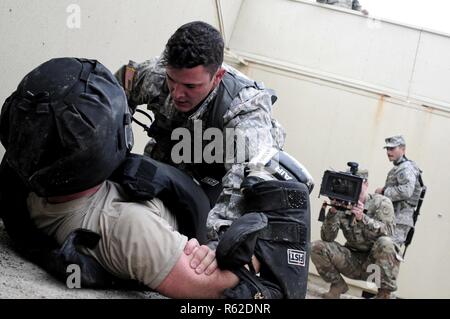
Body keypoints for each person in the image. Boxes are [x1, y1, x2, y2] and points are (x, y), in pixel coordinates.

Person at [0, 57, 242, 299]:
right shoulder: (126, 226)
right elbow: (216, 287)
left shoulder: (21, 173)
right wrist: (259, 252)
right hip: (194, 211)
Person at [115, 21, 290, 248]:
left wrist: (218, 246)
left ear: (217, 77)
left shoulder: (246, 107)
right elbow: (112, 93)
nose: (177, 94)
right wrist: (115, 150)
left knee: (200, 239)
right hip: (169, 164)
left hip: (217, 182)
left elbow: (245, 181)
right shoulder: (156, 75)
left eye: (190, 86)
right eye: (172, 80)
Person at [311, 168, 401, 299]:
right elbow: (327, 238)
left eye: (355, 184)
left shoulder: (381, 202)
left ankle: (384, 294)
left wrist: (363, 218)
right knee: (316, 247)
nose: (351, 188)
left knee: (386, 243)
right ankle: (337, 285)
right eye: (348, 184)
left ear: (366, 184)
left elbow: (389, 233)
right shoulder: (344, 204)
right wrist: (333, 213)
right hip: (352, 261)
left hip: (375, 265)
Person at [375, 135, 424, 247]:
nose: (388, 152)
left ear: (403, 149)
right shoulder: (399, 167)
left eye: (392, 148)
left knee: (388, 255)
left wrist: (383, 191)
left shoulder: (406, 168)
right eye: (387, 149)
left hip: (400, 219)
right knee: (380, 253)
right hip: (394, 217)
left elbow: (406, 191)